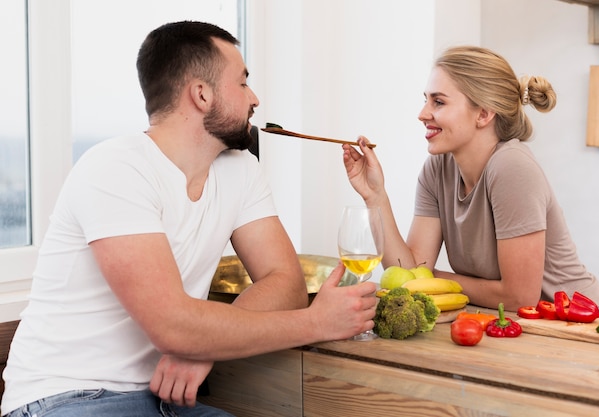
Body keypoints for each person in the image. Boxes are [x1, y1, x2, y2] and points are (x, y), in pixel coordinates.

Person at [1, 21, 377, 417]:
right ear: (201, 94)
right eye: (243, 82)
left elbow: (286, 283)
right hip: (64, 399)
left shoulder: (241, 170)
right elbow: (173, 327)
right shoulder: (116, 168)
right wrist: (317, 324)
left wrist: (204, 346)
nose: (255, 98)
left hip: (162, 401)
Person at [342, 45, 599, 315]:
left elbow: (518, 296)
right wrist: (375, 195)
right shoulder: (438, 168)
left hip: (581, 323)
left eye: (438, 102)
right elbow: (410, 269)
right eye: (425, 99)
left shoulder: (511, 166)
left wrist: (435, 277)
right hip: (520, 327)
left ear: (484, 114)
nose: (422, 114)